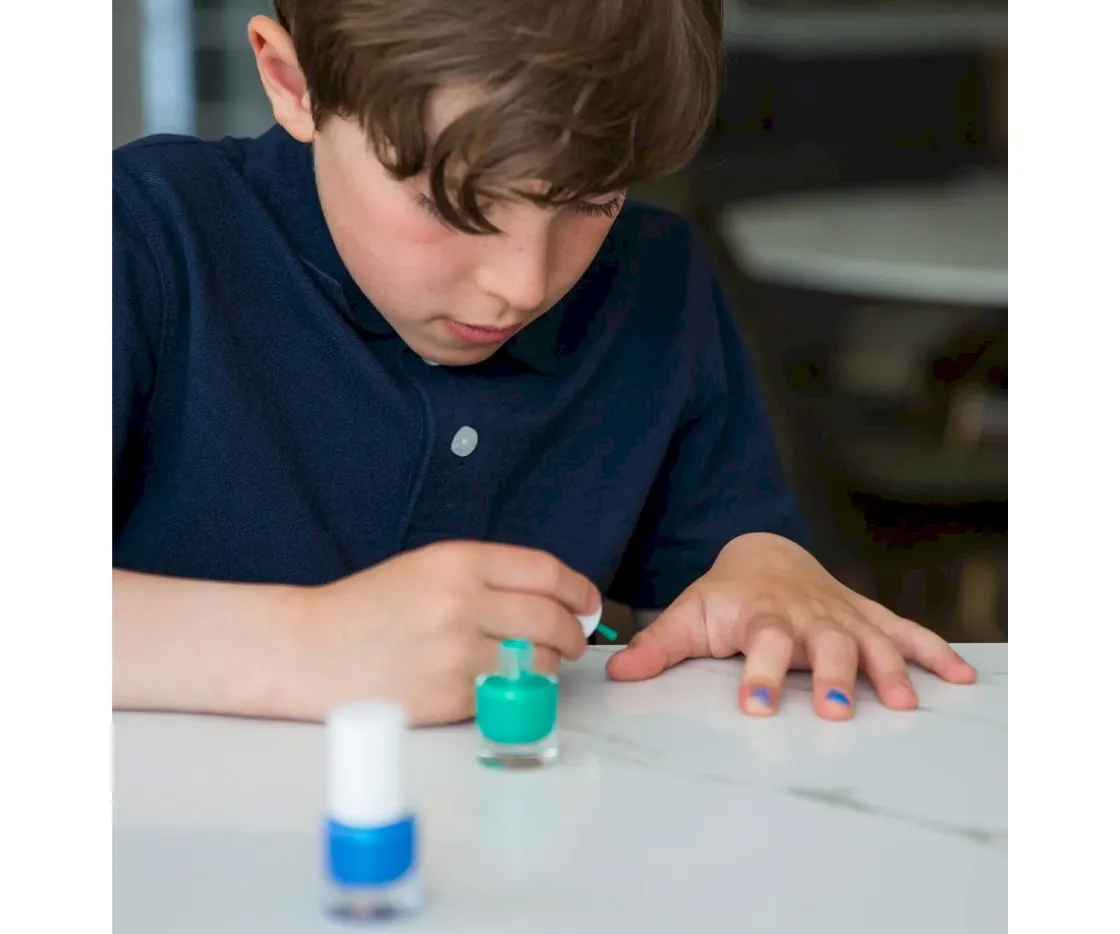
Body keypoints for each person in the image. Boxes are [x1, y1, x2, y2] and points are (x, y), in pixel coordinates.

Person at [112, 0, 976, 727]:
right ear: (295, 82)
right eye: (455, 204)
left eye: (592, 200)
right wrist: (305, 646)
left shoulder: (657, 278)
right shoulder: (140, 240)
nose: (522, 285)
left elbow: (728, 555)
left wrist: (765, 572)